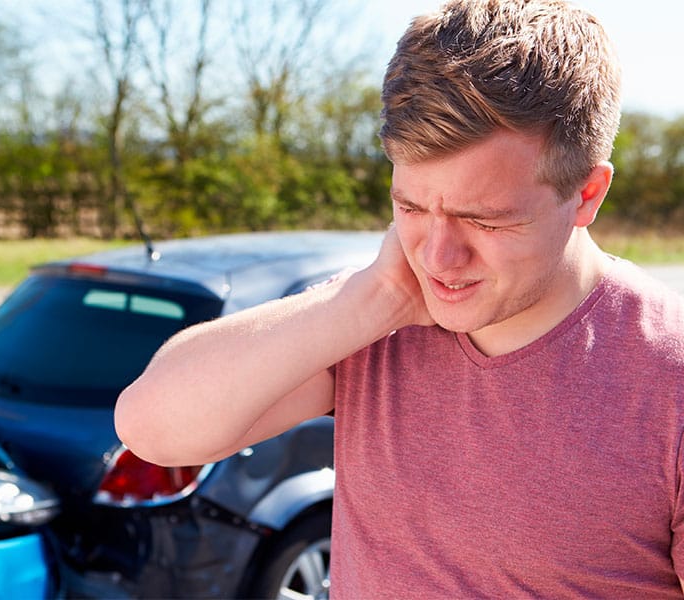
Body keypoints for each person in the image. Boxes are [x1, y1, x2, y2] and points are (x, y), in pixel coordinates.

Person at [115, 0, 684, 596]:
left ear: (588, 194)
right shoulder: (374, 324)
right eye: (410, 207)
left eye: (483, 220)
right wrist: (372, 300)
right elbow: (150, 428)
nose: (437, 258)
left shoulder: (667, 380)